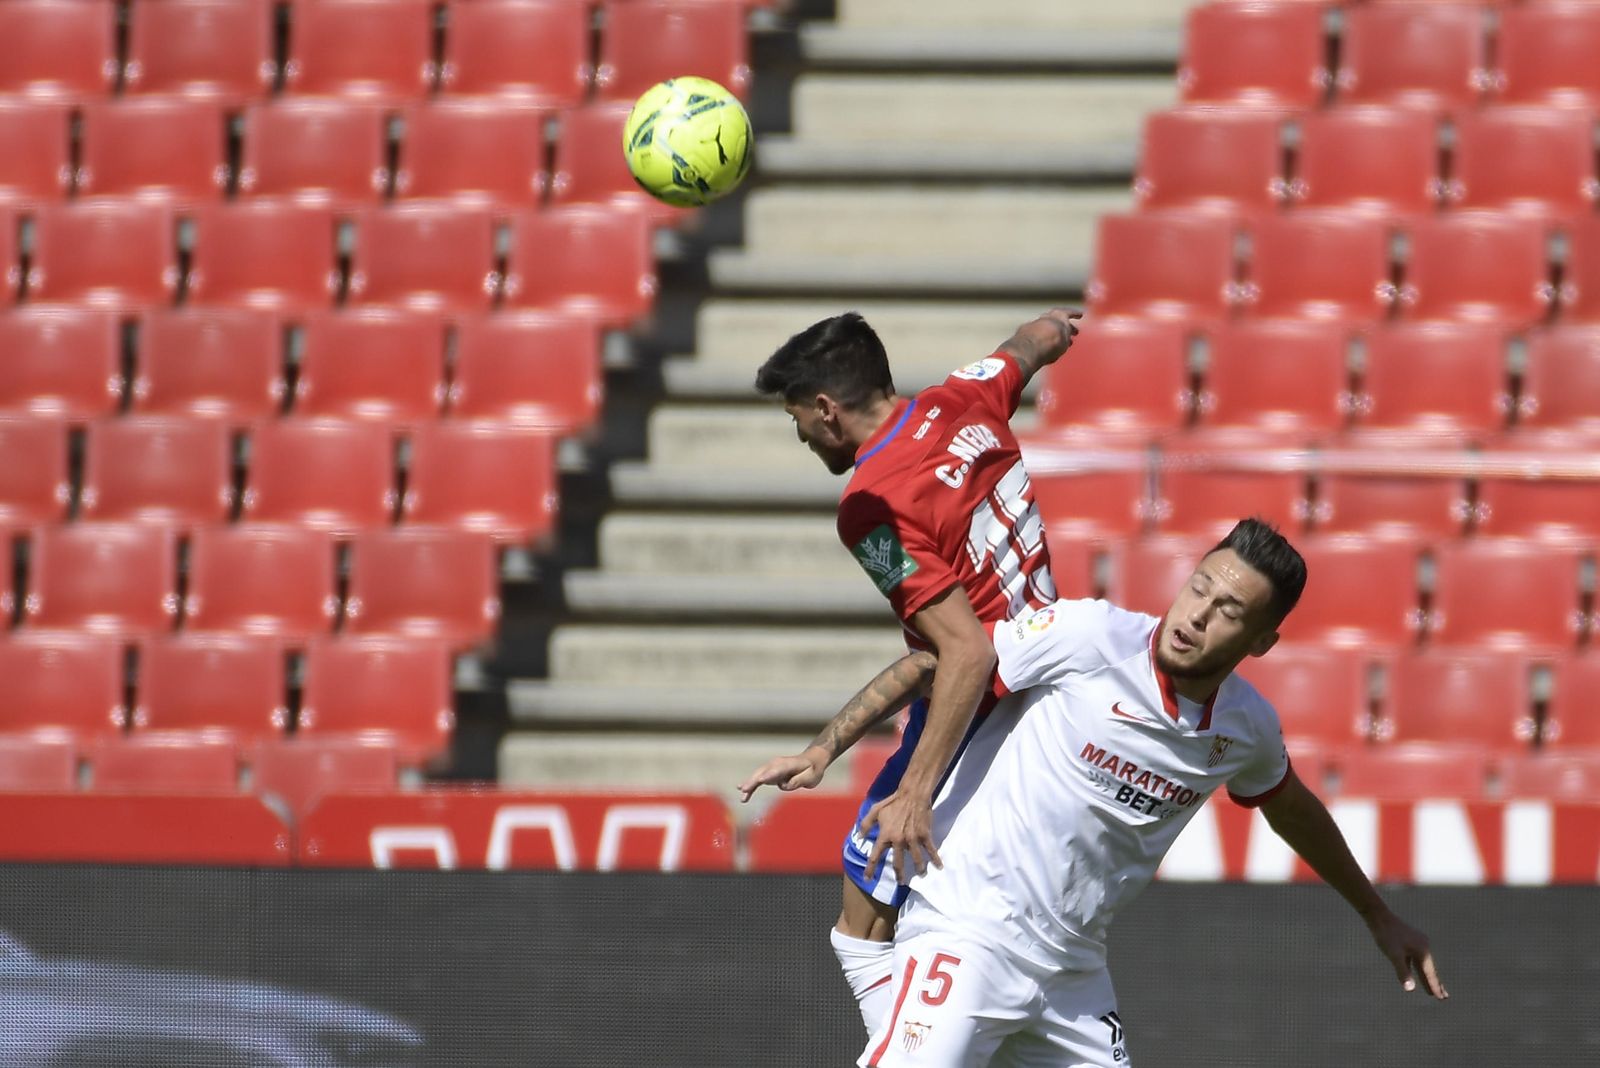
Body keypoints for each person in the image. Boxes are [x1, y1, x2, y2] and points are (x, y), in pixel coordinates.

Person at [752, 519, 1447, 1066]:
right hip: (968, 932)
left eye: (1229, 610)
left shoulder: (1245, 727)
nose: (1198, 613)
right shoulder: (1089, 637)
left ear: (1262, 641)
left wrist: (1378, 916)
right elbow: (946, 660)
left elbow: (1292, 808)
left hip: (1072, 976)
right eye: (1200, 586)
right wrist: (826, 747)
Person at [747, 308, 1081, 1030]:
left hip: (984, 712)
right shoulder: (964, 396)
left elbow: (964, 651)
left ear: (827, 410)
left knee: (865, 904)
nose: (800, 434)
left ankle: (902, 1050)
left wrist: (917, 792)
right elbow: (1026, 347)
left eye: (797, 417)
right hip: (1053, 691)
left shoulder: (872, 505)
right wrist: (1058, 326)